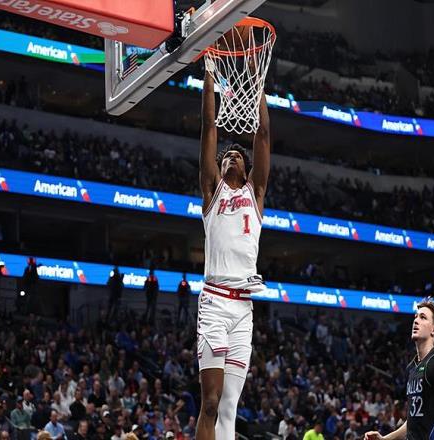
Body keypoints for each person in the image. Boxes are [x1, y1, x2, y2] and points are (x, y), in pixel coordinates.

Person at [195, 64, 270, 440]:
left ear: (247, 166)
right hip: (214, 303)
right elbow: (209, 127)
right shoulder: (213, 190)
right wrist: (209, 74)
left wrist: (257, 83)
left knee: (229, 408)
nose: (231, 156)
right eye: (226, 155)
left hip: (243, 309)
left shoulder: (256, 193)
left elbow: (264, 134)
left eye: (238, 155)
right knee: (210, 403)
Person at [364, 299, 434, 440]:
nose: (416, 321)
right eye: (416, 317)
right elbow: (412, 422)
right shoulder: (412, 367)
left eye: (423, 317)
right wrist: (384, 439)